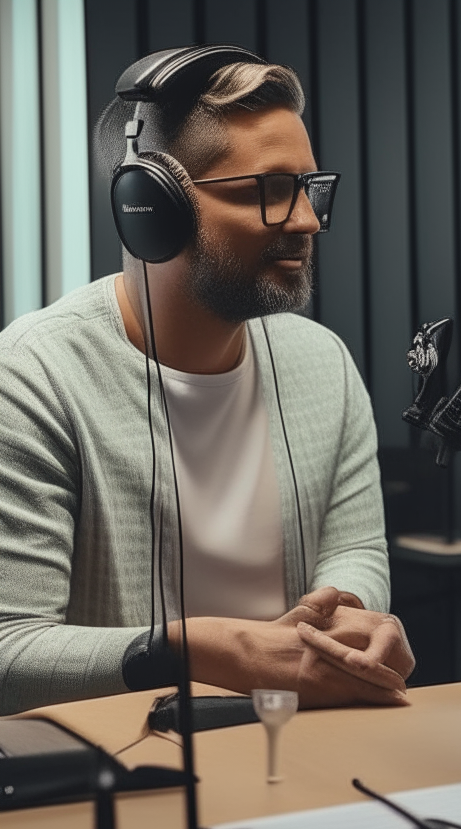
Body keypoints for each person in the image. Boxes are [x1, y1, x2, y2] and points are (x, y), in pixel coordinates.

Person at [0, 47, 414, 715]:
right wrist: (211, 651)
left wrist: (347, 622)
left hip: (301, 755)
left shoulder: (323, 364)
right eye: (272, 191)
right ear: (152, 207)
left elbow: (357, 551)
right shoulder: (32, 377)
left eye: (310, 188)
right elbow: (9, 653)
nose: (307, 220)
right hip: (122, 780)